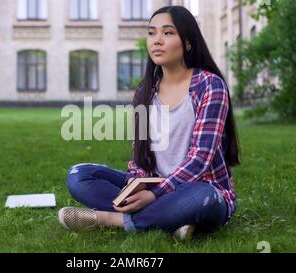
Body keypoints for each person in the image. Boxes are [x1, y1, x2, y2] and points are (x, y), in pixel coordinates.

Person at [57, 5, 241, 239]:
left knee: (200, 198)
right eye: (152, 33)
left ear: (188, 42)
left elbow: (200, 159)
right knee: (79, 176)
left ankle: (109, 219)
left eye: (168, 33)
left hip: (200, 187)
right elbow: (140, 154)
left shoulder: (210, 85)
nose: (157, 40)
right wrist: (137, 184)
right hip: (155, 185)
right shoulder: (146, 91)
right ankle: (173, 222)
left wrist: (155, 195)